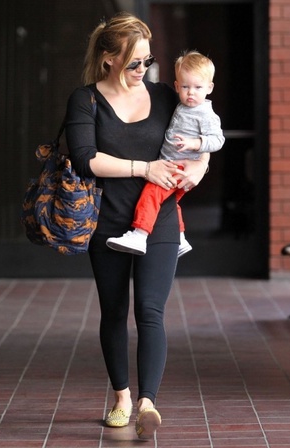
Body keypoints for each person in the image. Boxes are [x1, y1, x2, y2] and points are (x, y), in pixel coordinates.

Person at [65, 12, 210, 440]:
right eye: (132, 63)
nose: (141, 71)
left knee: (151, 310)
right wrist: (144, 167)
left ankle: (148, 401)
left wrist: (199, 167)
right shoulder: (86, 100)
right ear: (109, 59)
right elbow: (84, 158)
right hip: (107, 222)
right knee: (114, 312)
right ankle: (122, 397)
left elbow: (204, 128)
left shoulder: (166, 96)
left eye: (146, 62)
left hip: (160, 219)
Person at [106, 50, 225, 257]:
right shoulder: (181, 104)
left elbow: (218, 140)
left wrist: (196, 144)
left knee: (151, 194)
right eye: (185, 87)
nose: (191, 93)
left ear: (209, 88)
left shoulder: (206, 114)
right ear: (177, 86)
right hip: (171, 163)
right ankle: (180, 238)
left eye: (198, 88)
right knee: (168, 202)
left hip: (177, 166)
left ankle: (139, 234)